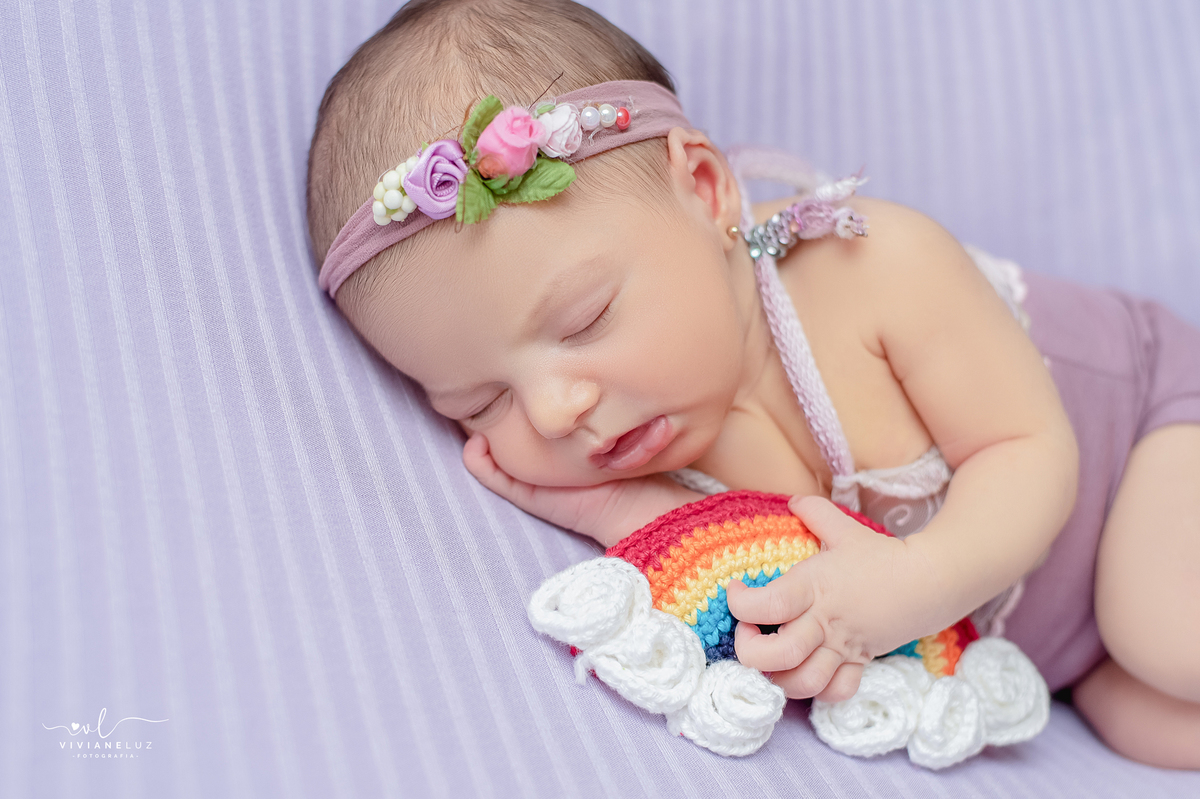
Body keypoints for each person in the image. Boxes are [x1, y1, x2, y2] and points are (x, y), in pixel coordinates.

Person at [305, 0, 1200, 769]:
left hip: (1146, 441)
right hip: (1064, 651)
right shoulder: (634, 456)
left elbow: (1029, 451)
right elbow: (758, 588)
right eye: (479, 401)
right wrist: (620, 515)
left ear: (704, 189)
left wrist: (920, 578)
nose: (552, 409)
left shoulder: (874, 268)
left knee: (1160, 627)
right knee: (1139, 717)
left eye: (582, 321)